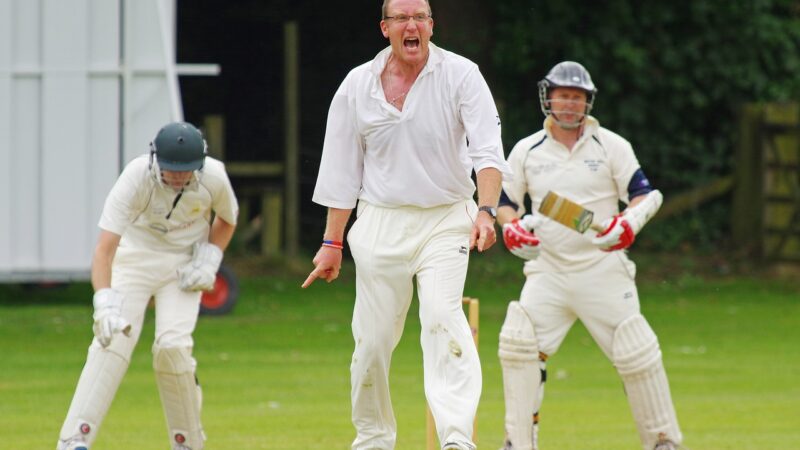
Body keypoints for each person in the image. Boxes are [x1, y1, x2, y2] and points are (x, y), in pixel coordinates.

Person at [301, 0, 510, 448]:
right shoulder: (357, 86)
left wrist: (487, 212)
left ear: (432, 26)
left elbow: (488, 152)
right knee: (372, 344)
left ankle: (456, 439)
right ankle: (373, 438)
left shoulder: (461, 75)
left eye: (421, 18)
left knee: (441, 318)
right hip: (380, 221)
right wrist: (331, 242)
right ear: (385, 28)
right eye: (402, 18)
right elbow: (341, 171)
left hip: (447, 217)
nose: (412, 26)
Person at [496, 61, 683, 450]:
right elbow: (505, 203)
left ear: (587, 103)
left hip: (603, 269)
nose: (568, 104)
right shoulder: (527, 150)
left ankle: (664, 441)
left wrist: (628, 224)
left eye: (576, 97)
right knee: (520, 344)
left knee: (636, 350)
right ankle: (517, 443)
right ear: (548, 97)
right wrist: (511, 228)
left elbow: (645, 195)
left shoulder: (611, 145)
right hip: (548, 270)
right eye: (562, 95)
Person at [56, 121, 238, 450]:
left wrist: (210, 256)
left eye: (186, 171)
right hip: (135, 259)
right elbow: (104, 250)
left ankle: (187, 442)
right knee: (111, 342)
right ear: (156, 159)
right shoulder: (136, 177)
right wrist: (104, 302)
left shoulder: (213, 176)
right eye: (171, 170)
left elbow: (227, 219)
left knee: (172, 348)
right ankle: (74, 440)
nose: (178, 177)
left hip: (183, 267)